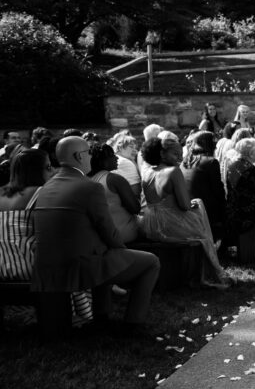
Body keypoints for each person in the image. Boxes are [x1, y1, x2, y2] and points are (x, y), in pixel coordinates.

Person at [32, 137, 161, 328]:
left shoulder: (46, 187)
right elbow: (108, 230)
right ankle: (134, 324)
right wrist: (122, 253)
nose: (91, 157)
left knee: (102, 252)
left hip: (46, 265)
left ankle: (102, 316)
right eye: (89, 153)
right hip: (81, 265)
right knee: (151, 262)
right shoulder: (89, 187)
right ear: (79, 156)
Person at [139, 136, 227, 288]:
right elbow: (185, 205)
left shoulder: (146, 172)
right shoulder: (173, 171)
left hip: (149, 223)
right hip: (168, 224)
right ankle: (210, 269)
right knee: (198, 206)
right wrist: (192, 204)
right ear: (162, 154)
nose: (180, 158)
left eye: (181, 153)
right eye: (175, 154)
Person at [1, 150, 53, 281]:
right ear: (36, 170)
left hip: (2, 269)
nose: (53, 172)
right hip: (30, 269)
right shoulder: (40, 193)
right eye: (48, 167)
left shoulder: (1, 192)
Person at [87, 144, 142, 243]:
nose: (116, 157)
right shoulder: (114, 179)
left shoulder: (86, 179)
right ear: (103, 161)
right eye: (112, 155)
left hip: (98, 236)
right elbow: (135, 208)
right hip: (121, 234)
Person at [180, 131, 227, 244]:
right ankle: (220, 243)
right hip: (205, 210)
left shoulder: (184, 162)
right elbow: (218, 192)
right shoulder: (211, 162)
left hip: (188, 207)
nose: (216, 146)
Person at [107, 130, 142, 197]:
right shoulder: (125, 162)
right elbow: (136, 191)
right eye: (131, 147)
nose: (135, 150)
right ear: (120, 147)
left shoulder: (114, 158)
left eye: (135, 148)